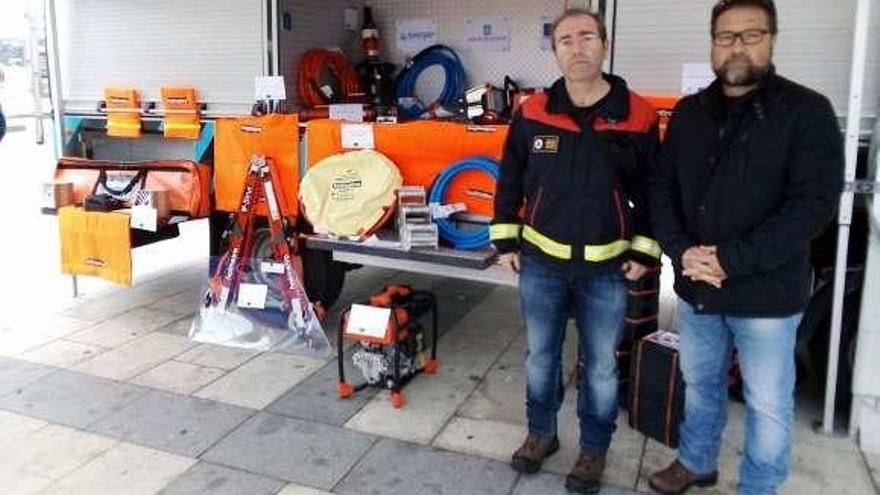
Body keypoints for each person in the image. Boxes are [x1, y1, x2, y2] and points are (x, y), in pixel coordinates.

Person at [648, 1, 844, 493]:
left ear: (772, 39)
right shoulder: (691, 112)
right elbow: (663, 189)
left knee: (768, 402)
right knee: (701, 384)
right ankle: (696, 461)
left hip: (767, 295)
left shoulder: (808, 112)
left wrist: (730, 259)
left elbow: (812, 205)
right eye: (726, 36)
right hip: (698, 289)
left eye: (750, 35)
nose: (737, 46)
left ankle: (758, 487)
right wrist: (681, 251)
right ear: (713, 43)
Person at [490, 8, 661, 494]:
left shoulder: (638, 113)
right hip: (542, 264)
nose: (577, 46)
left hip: (606, 268)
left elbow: (654, 189)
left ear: (604, 44)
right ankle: (541, 436)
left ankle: (593, 448)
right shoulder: (532, 111)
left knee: (602, 365)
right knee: (540, 357)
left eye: (587, 37)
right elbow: (510, 178)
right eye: (566, 39)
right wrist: (505, 238)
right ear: (556, 50)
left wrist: (645, 251)